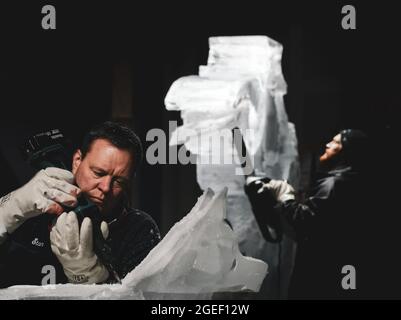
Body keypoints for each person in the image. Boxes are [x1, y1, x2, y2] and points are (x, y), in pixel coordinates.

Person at [0, 121, 161, 287]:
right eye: (98, 173)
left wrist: (88, 277)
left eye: (119, 181)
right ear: (77, 161)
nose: (105, 188)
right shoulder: (33, 209)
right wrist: (6, 211)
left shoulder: (138, 229)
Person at [245, 129, 383, 299]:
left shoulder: (334, 184)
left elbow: (308, 224)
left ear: (347, 151)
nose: (328, 144)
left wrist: (286, 198)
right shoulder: (357, 182)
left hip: (321, 268)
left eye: (335, 143)